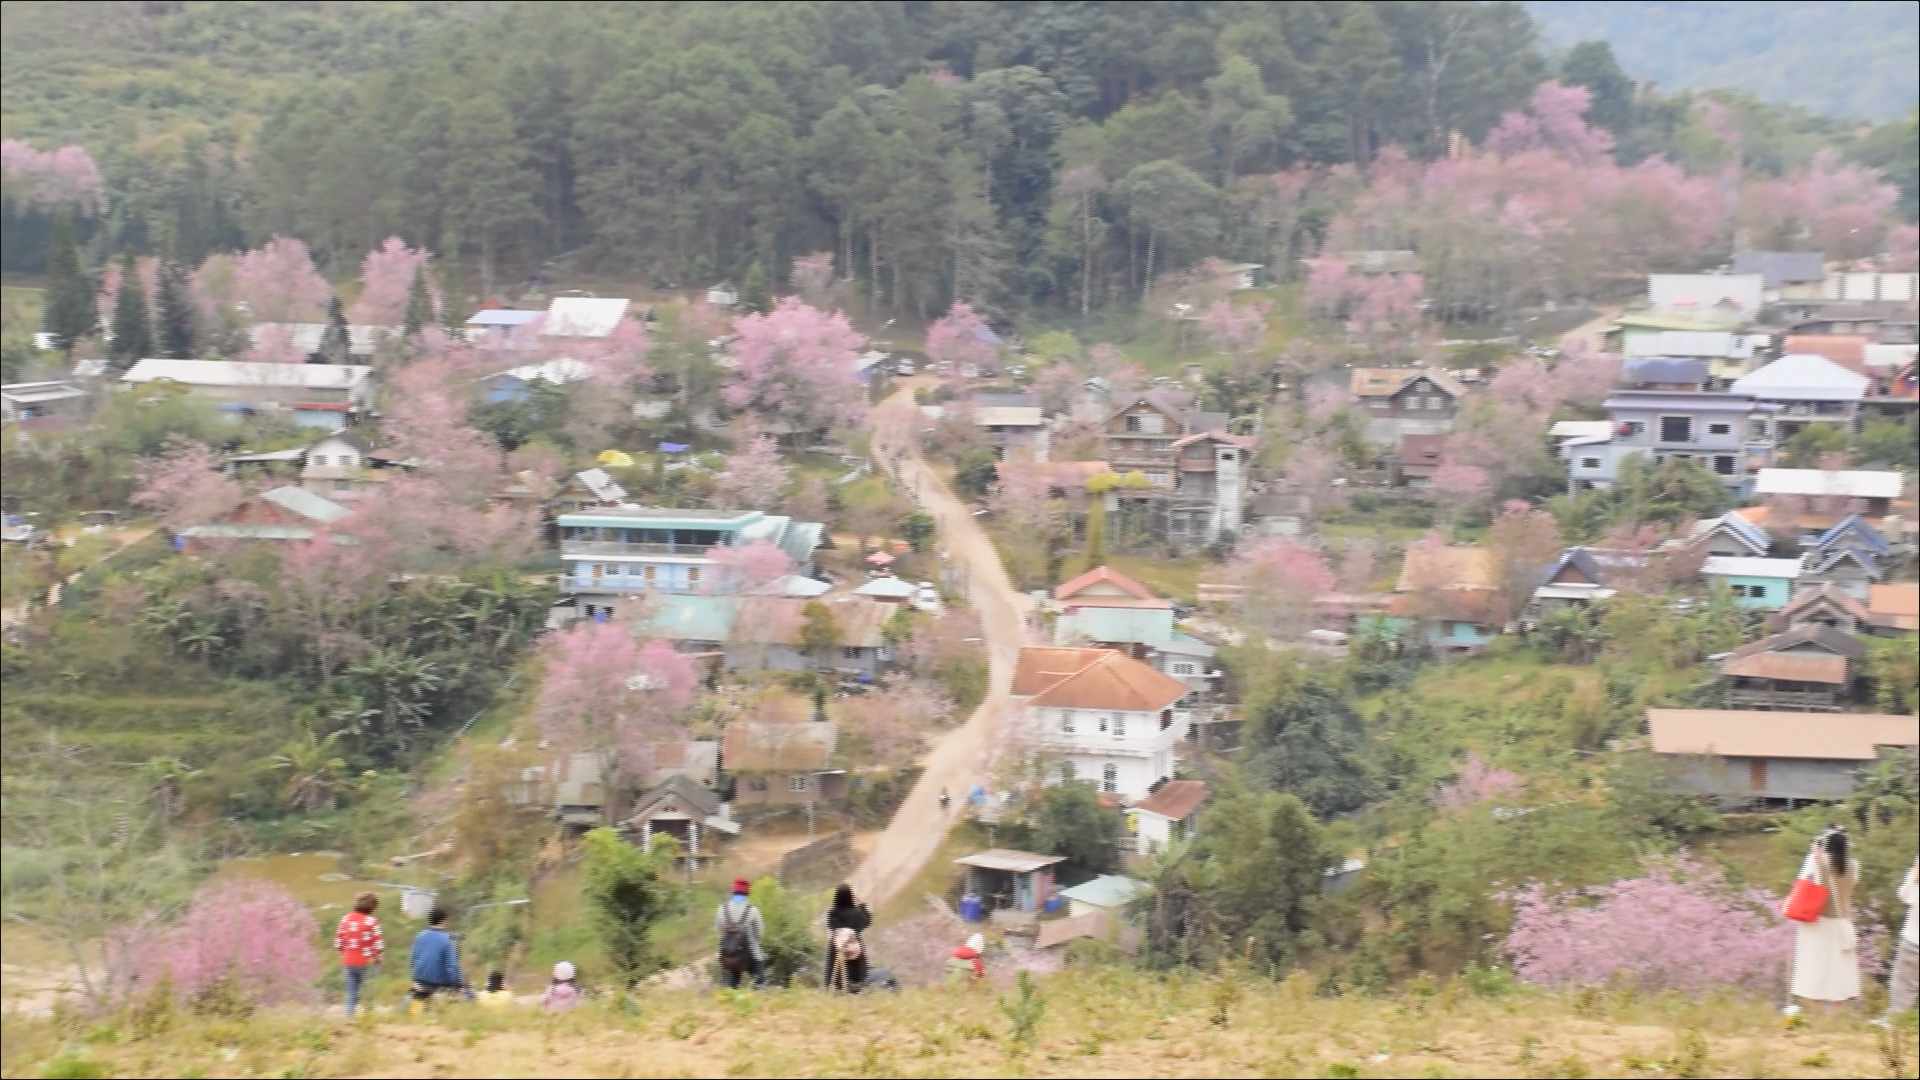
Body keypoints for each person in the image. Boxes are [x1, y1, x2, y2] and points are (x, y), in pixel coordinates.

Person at [1790, 827, 1860, 1010]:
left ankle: (1816, 1012)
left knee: (1816, 967)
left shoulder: (1818, 862)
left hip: (1818, 922)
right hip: (1842, 922)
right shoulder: (1854, 865)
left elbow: (1803, 882)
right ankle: (1838, 1013)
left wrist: (1813, 854)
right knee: (1839, 969)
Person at [333, 892, 384, 1019]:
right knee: (368, 993)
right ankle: (368, 1018)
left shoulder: (345, 919)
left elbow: (338, 943)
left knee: (351, 993)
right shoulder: (371, 921)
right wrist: (378, 960)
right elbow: (378, 945)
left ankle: (350, 1019)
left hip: (349, 962)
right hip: (367, 963)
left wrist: (347, 954)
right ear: (372, 907)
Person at [409, 907, 467, 1012]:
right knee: (461, 990)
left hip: (419, 979)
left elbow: (413, 960)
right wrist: (458, 984)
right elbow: (452, 966)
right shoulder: (446, 939)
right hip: (438, 983)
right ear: (443, 920)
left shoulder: (419, 936)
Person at [714, 878, 765, 989]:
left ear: (733, 892)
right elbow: (760, 933)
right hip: (752, 953)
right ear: (747, 893)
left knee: (730, 988)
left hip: (728, 954)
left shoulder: (721, 909)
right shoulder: (753, 910)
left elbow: (717, 929)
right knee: (760, 986)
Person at [823, 885, 871, 992]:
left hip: (838, 943)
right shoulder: (857, 913)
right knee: (856, 969)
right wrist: (862, 903)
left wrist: (842, 933)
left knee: (837, 969)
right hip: (855, 943)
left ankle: (835, 989)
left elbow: (832, 926)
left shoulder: (833, 912)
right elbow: (867, 921)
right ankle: (857, 989)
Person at [1888, 860, 1918, 1019]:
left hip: (1912, 941)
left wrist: (1914, 874)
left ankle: (1895, 1027)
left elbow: (1904, 896)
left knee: (1903, 991)